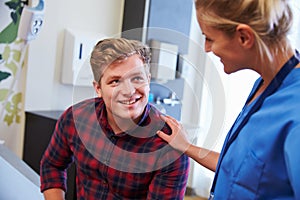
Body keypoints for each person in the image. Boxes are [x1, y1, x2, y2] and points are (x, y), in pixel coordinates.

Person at [157, 0, 300, 199]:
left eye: (209, 38)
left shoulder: (295, 112)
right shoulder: (263, 86)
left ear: (244, 37)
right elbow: (241, 171)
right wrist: (187, 147)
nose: (207, 48)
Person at [40, 38, 189, 200]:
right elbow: (52, 166)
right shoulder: (75, 119)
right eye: (115, 81)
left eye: (137, 78)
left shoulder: (169, 148)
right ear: (98, 88)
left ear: (148, 79)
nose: (128, 91)